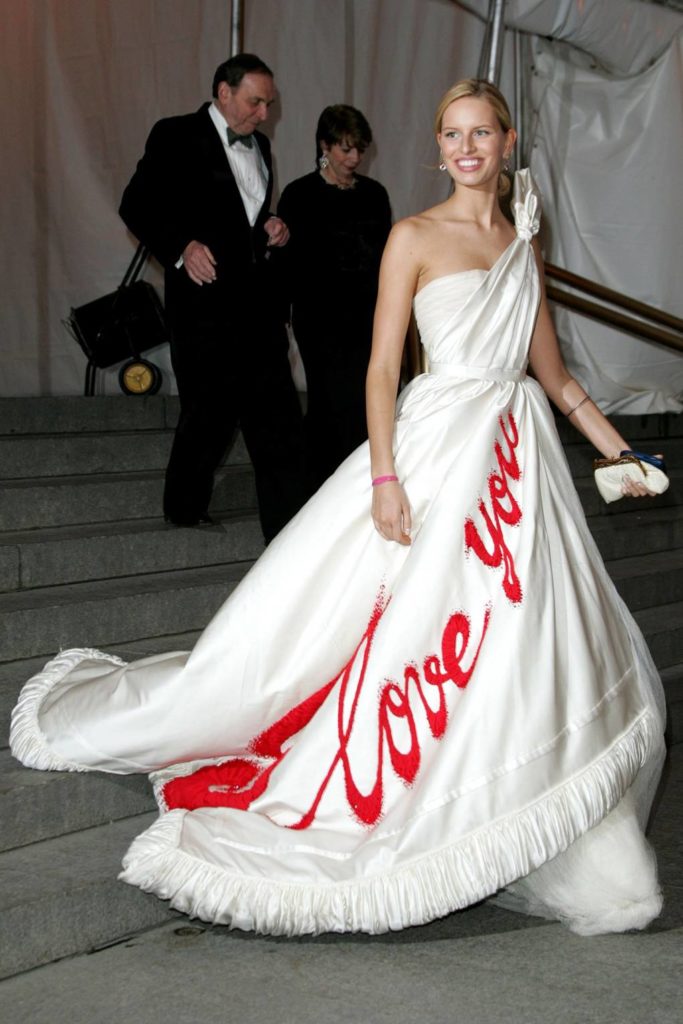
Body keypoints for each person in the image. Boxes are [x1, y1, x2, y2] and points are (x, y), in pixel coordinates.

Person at [11, 79, 667, 938]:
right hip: (435, 452)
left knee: (521, 633)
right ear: (437, 149)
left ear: (507, 144)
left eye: (480, 133)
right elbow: (380, 370)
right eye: (450, 133)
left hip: (518, 462)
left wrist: (619, 452)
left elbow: (556, 378)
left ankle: (517, 804)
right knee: (416, 625)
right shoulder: (412, 236)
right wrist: (385, 479)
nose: (465, 147)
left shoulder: (522, 248)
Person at [119, 53, 306, 540]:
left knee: (280, 421)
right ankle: (183, 506)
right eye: (255, 101)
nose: (264, 113)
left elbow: (246, 219)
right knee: (209, 415)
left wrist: (273, 227)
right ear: (223, 92)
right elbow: (135, 203)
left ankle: (289, 536)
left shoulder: (261, 147)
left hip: (258, 311)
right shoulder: (175, 134)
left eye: (268, 103)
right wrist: (180, 247)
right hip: (202, 310)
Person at [276, 105, 392, 493]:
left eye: (359, 149)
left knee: (364, 401)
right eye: (345, 149)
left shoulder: (375, 194)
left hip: (367, 316)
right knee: (328, 402)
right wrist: (283, 314)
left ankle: (361, 486)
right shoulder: (299, 195)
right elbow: (286, 262)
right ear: (324, 146)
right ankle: (322, 490)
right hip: (318, 317)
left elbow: (386, 260)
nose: (354, 158)